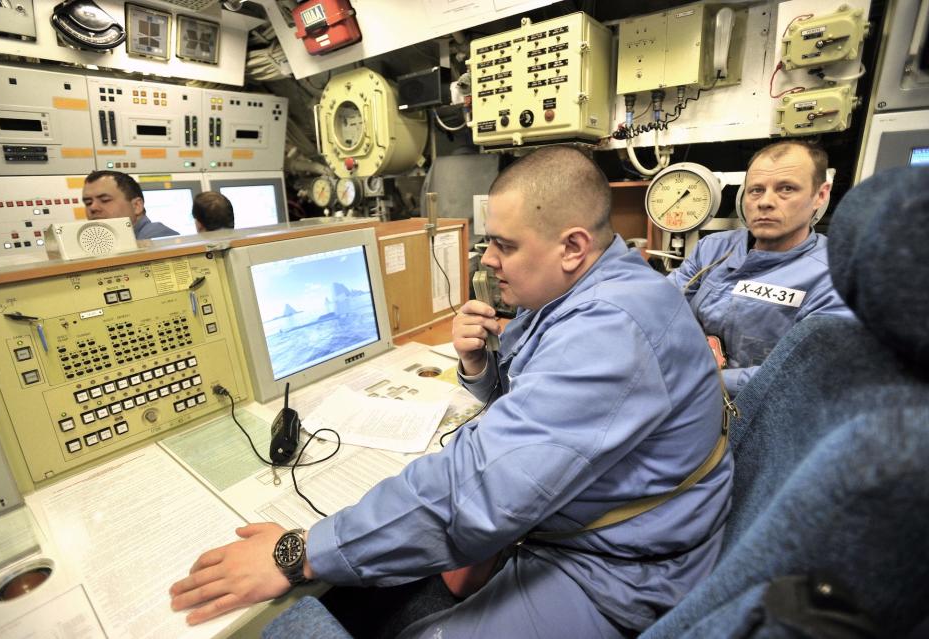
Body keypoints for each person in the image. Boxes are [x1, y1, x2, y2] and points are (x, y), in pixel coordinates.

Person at [169, 146, 733, 638]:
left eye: (505, 245)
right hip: (588, 517)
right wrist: (478, 365)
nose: (487, 259)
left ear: (572, 247)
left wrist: (300, 553)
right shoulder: (585, 291)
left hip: (618, 565)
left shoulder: (610, 329)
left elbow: (479, 493)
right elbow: (543, 405)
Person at [667, 140, 852, 397]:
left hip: (765, 415)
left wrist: (703, 380)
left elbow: (806, 372)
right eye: (755, 190)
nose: (765, 202)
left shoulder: (834, 276)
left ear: (820, 195)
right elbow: (663, 306)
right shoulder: (713, 249)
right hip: (689, 394)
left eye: (786, 189)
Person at [81, 170, 179, 240]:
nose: (93, 208)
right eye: (88, 203)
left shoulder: (159, 237)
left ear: (136, 206)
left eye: (105, 200)